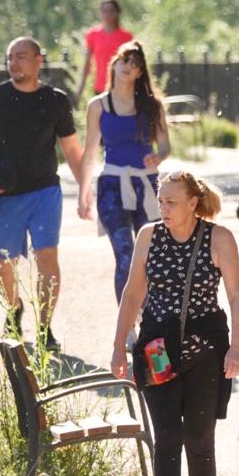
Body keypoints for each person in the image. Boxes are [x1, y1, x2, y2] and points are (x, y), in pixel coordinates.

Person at [110, 170, 239, 476]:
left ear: (192, 202)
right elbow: (133, 292)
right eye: (160, 200)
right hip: (157, 349)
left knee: (200, 437)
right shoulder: (148, 236)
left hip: (205, 349)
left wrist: (237, 347)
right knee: (167, 434)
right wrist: (119, 344)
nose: (163, 208)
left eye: (171, 201)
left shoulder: (218, 238)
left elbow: (236, 294)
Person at [0, 36, 83, 352]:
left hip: (44, 190)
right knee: (5, 262)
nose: (14, 63)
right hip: (4, 191)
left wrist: (85, 188)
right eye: (10, 58)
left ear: (38, 61)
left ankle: (45, 329)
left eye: (21, 57)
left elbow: (71, 149)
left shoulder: (55, 100)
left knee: (47, 256)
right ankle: (14, 309)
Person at [78, 40, 171, 302]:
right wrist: (83, 193)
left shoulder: (153, 106)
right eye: (124, 60)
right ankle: (128, 326)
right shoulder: (98, 105)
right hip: (112, 187)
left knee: (150, 258)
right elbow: (90, 152)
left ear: (141, 72)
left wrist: (158, 156)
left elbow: (165, 146)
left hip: (147, 187)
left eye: (135, 63)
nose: (128, 66)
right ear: (114, 64)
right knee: (125, 255)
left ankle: (152, 323)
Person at [77, 0, 135, 98]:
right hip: (100, 86)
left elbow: (132, 63)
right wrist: (81, 86)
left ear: (117, 12)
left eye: (111, 10)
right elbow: (87, 63)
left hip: (122, 85)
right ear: (100, 13)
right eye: (104, 11)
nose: (108, 14)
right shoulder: (93, 35)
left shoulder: (126, 36)